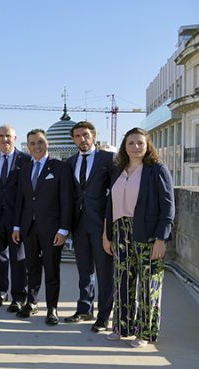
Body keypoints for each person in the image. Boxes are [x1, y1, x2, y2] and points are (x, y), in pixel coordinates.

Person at [104, 127, 174, 348]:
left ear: (147, 145)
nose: (135, 147)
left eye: (140, 143)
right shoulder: (118, 170)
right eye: (131, 143)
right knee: (122, 282)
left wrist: (161, 239)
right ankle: (121, 327)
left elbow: (168, 207)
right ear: (125, 146)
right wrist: (107, 236)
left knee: (148, 285)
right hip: (120, 232)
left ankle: (144, 333)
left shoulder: (157, 170)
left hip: (148, 235)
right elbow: (110, 205)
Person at [12, 129, 73, 326]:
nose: (36, 146)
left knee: (52, 269)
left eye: (40, 142)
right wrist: (16, 227)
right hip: (28, 228)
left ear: (47, 143)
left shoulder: (60, 168)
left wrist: (63, 230)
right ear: (27, 147)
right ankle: (32, 302)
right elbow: (20, 200)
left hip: (52, 230)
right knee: (32, 267)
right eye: (32, 143)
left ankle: (52, 308)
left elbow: (66, 201)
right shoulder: (25, 168)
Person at [65, 121, 115, 332]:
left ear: (93, 136)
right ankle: (85, 308)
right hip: (78, 225)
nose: (81, 139)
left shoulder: (108, 159)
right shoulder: (70, 162)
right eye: (77, 136)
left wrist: (109, 227)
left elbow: (115, 194)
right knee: (85, 271)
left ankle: (104, 315)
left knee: (104, 272)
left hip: (101, 224)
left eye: (85, 135)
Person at [0, 124, 30, 313]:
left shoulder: (25, 160)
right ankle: (1, 292)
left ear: (15, 137)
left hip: (16, 218)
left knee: (18, 259)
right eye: (1, 136)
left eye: (8, 136)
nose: (5, 139)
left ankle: (18, 297)